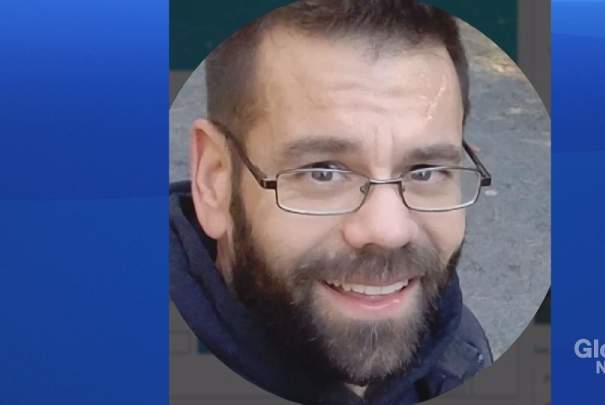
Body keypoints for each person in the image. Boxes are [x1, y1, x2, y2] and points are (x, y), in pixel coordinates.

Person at [170, 1, 494, 403]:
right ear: (214, 181)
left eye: (425, 171)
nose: (388, 231)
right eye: (323, 172)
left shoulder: (456, 347)